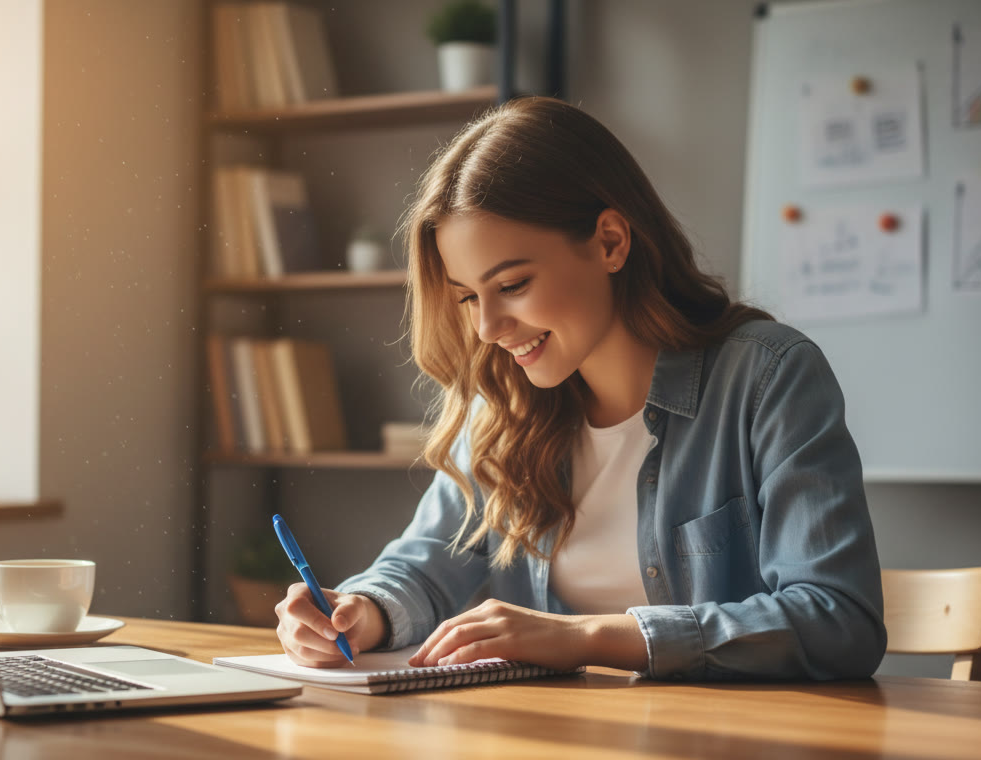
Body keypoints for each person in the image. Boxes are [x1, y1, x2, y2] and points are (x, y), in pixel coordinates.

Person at [274, 97, 887, 681]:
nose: (487, 328)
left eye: (511, 284)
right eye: (467, 297)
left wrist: (587, 638)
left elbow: (839, 620)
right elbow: (425, 565)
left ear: (610, 242)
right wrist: (359, 611)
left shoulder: (766, 379)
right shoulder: (503, 407)